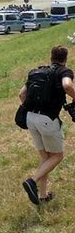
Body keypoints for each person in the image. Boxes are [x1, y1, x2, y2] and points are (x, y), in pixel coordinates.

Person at [20, 45, 75, 205]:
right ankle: (32, 181)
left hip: (30, 117)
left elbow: (21, 94)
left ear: (51, 58)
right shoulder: (64, 71)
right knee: (57, 156)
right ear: (65, 59)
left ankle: (43, 196)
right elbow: (67, 86)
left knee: (45, 157)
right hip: (47, 119)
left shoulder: (38, 72)